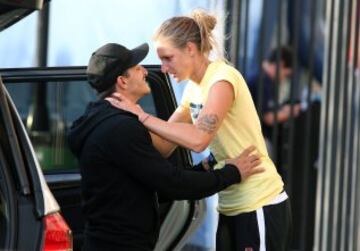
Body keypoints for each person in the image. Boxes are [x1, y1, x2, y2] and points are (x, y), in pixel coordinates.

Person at [107, 10, 292, 251]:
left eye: (168, 58)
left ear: (191, 49)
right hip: (230, 205)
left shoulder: (222, 80)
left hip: (259, 203)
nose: (163, 68)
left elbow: (198, 140)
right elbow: (163, 145)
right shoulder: (193, 90)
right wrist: (119, 123)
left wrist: (142, 116)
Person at [66, 42, 264, 251]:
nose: (145, 71)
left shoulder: (101, 120)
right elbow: (172, 183)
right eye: (137, 68)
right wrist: (232, 173)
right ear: (122, 81)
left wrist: (203, 168)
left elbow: (150, 186)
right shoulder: (120, 128)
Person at [248, 46, 301, 171]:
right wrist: (292, 111)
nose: (284, 78)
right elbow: (269, 118)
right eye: (286, 74)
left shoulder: (261, 77)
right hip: (256, 142)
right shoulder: (263, 80)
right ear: (281, 64)